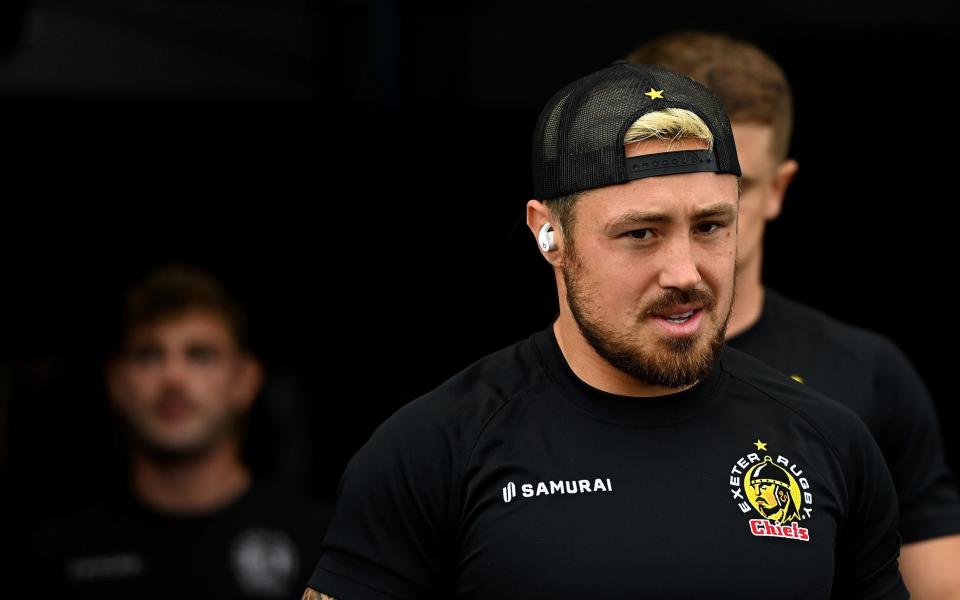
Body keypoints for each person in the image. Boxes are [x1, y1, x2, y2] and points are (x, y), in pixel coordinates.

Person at [303, 61, 906, 599]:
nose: (684, 272)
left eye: (710, 227)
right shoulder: (431, 451)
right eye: (640, 233)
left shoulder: (830, 442)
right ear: (549, 235)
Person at [627, 31, 960, 598]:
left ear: (778, 189)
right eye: (669, 184)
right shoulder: (532, 386)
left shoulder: (867, 374)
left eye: (737, 184)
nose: (706, 207)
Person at [25, 265, 331, 599]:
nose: (173, 376)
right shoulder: (52, 561)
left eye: (200, 354)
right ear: (117, 381)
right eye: (148, 355)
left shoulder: (320, 550)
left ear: (245, 379)